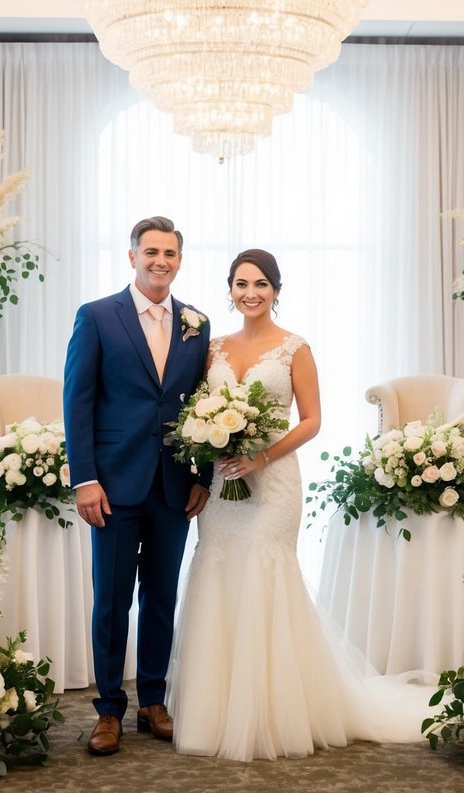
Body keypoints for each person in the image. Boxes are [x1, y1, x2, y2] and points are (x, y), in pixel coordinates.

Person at [166, 248, 432, 762]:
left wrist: (261, 456)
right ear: (230, 289)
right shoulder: (212, 348)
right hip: (224, 484)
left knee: (266, 575)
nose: (251, 293)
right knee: (221, 573)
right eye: (242, 284)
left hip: (274, 481)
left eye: (261, 284)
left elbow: (312, 420)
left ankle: (274, 710)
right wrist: (210, 450)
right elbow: (197, 411)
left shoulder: (295, 349)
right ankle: (217, 708)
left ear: (276, 291)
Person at [63, 216, 212, 756]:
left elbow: (205, 405)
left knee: (161, 597)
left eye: (170, 253)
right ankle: (108, 709)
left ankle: (153, 699)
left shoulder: (197, 322)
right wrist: (85, 479)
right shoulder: (98, 316)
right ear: (132, 257)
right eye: (151, 251)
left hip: (174, 485)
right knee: (111, 599)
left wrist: (203, 475)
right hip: (113, 484)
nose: (160, 261)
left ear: (179, 260)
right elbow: (77, 401)